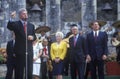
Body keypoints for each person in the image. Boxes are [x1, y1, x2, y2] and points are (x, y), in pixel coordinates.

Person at [7, 8, 36, 79]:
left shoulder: (31, 25)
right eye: (24, 14)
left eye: (26, 13)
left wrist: (32, 37)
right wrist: (11, 18)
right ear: (20, 15)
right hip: (19, 52)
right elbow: (9, 27)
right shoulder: (16, 24)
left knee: (29, 72)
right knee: (19, 72)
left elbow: (34, 36)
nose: (26, 15)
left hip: (29, 52)